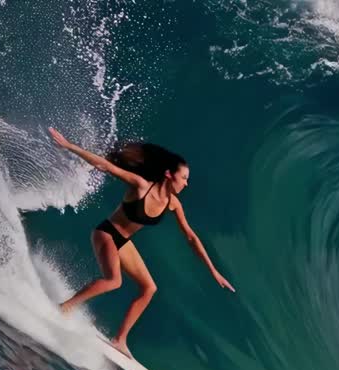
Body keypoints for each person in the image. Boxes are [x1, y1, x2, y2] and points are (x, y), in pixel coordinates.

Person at [49, 128, 235, 358]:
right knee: (114, 281)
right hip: (106, 233)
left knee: (149, 288)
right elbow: (107, 166)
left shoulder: (173, 204)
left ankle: (119, 340)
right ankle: (64, 308)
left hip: (123, 242)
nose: (186, 184)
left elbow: (191, 237)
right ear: (169, 175)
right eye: (184, 178)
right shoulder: (141, 186)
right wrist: (69, 146)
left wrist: (214, 271)